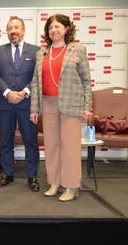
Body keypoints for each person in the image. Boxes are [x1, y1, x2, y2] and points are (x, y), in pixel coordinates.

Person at [30, 14, 92, 202]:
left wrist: (87, 107)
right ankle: (55, 182)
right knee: (52, 146)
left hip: (71, 105)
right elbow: (35, 83)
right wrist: (34, 109)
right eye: (50, 28)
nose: (53, 30)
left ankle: (71, 186)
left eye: (57, 26)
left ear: (66, 29)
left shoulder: (77, 50)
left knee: (70, 147)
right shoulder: (41, 53)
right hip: (47, 104)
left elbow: (86, 81)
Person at [0, 17, 40, 192]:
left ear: (23, 30)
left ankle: (32, 175)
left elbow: (38, 76)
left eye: (16, 27)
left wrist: (24, 92)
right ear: (7, 32)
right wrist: (8, 92)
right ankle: (7, 173)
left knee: (30, 141)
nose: (13, 31)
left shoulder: (36, 51)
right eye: (10, 28)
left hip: (27, 104)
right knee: (5, 141)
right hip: (5, 102)